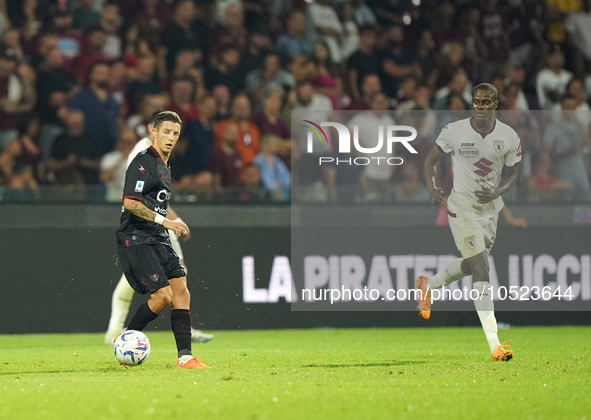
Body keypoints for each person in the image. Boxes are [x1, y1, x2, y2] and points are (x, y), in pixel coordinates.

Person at [420, 83, 521, 361]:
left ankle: (428, 286)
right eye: (477, 101)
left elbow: (513, 174)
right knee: (481, 268)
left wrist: (496, 192)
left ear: (496, 104)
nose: (481, 106)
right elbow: (430, 161)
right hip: (462, 207)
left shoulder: (508, 136)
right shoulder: (454, 131)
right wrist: (432, 187)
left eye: (487, 102)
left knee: (471, 265)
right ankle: (495, 346)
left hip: (490, 209)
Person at [105, 110, 214, 345]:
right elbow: (131, 196)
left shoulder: (164, 161)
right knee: (167, 287)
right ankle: (119, 334)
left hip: (157, 227)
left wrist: (175, 220)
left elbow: (159, 198)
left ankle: (120, 334)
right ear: (152, 130)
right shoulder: (143, 156)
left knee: (174, 285)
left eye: (176, 133)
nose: (172, 137)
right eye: (166, 131)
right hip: (142, 230)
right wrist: (166, 221)